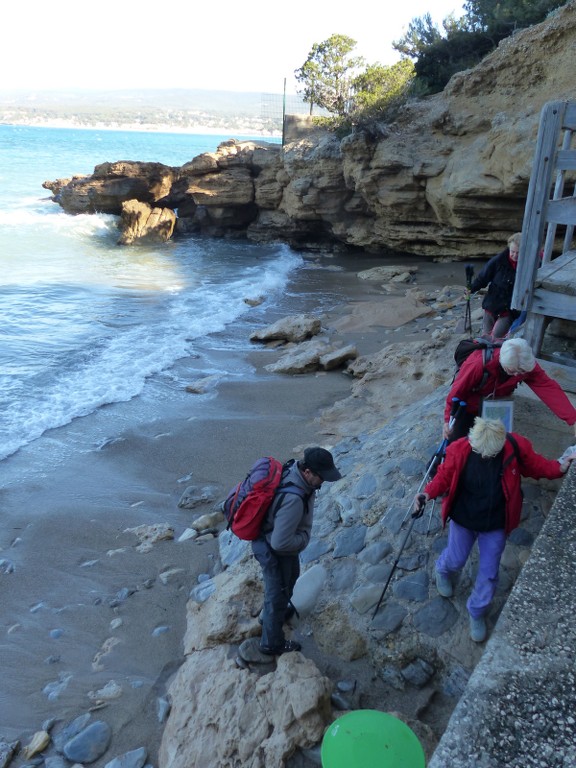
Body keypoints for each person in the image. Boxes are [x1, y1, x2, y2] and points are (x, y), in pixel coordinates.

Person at [413, 418, 576, 643]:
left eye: (488, 454)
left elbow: (537, 466)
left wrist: (560, 467)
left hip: (495, 521)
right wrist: (427, 494)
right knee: (456, 558)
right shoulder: (459, 448)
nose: (483, 457)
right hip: (464, 516)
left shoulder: (515, 446)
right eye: (479, 451)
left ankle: (477, 611)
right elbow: (443, 476)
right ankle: (443, 569)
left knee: (489, 573)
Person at [252, 446, 342, 656]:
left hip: (270, 540)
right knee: (277, 592)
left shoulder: (294, 471)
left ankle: (272, 616)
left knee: (288, 582)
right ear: (308, 472)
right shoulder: (294, 499)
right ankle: (271, 643)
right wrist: (303, 539)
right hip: (273, 549)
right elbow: (280, 543)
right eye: (322, 477)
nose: (324, 482)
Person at [444, 337, 576, 442]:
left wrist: (573, 418)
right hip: (468, 406)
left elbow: (548, 388)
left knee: (495, 445)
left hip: (497, 405)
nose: (518, 375)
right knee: (456, 444)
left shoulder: (524, 363)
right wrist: (447, 420)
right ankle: (438, 472)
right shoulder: (478, 363)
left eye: (522, 372)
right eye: (513, 372)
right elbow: (456, 393)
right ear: (502, 361)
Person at [466, 232, 521, 339]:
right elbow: (483, 278)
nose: (515, 255)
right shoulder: (498, 261)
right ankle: (482, 355)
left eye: (518, 253)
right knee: (485, 336)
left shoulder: (529, 264)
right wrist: (471, 289)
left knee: (496, 336)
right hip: (492, 304)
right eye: (512, 252)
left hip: (509, 309)